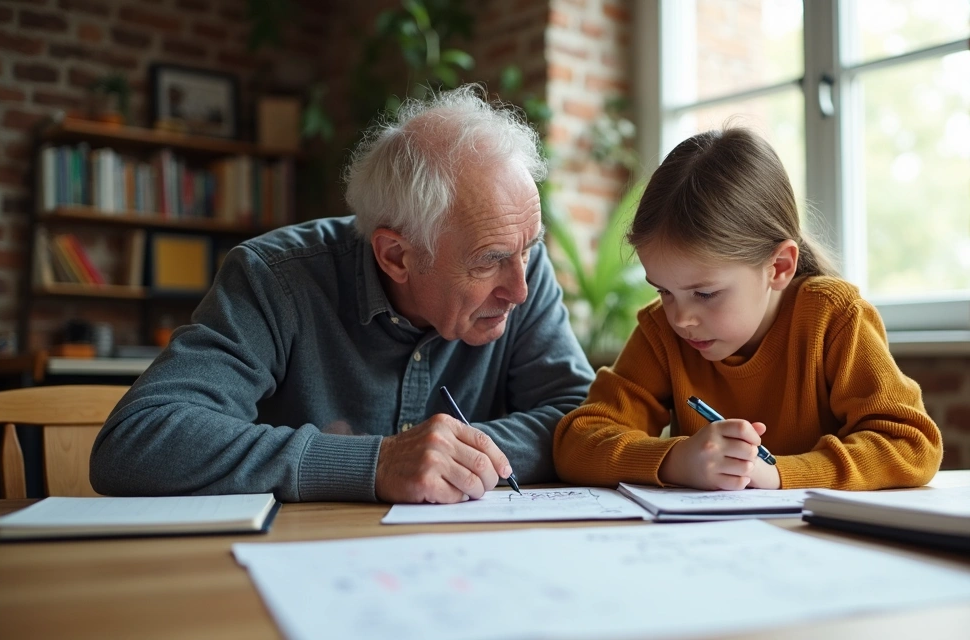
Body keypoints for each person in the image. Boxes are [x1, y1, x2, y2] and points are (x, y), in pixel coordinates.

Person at [91, 85, 594, 504]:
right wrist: (375, 463)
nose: (519, 288)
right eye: (487, 260)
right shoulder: (276, 279)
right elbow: (137, 442)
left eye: (527, 248)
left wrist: (457, 457)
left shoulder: (522, 266)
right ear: (397, 256)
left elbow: (583, 421)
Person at [553, 128, 941, 491]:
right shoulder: (661, 332)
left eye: (704, 294)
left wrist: (777, 474)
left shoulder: (834, 317)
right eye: (664, 291)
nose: (680, 318)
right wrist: (676, 459)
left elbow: (911, 444)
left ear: (779, 267)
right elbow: (577, 440)